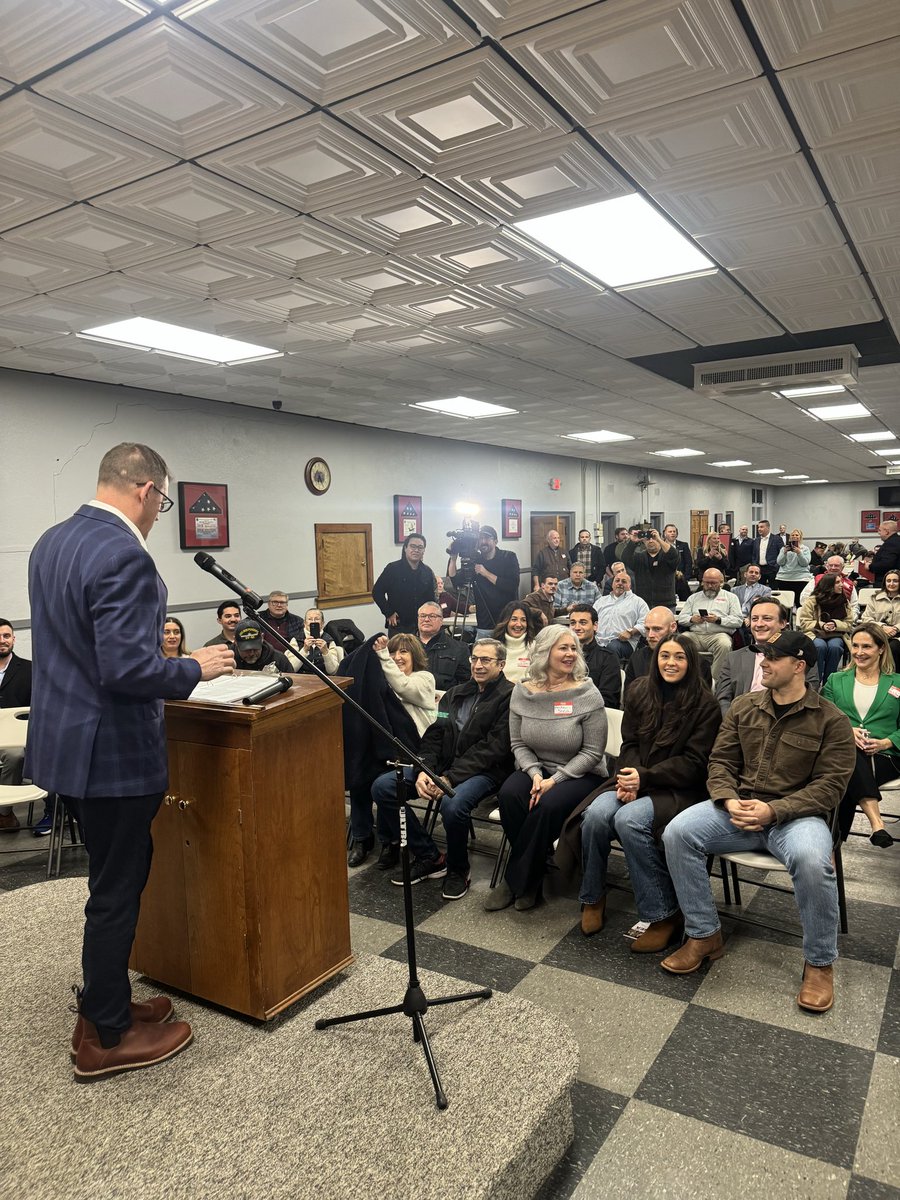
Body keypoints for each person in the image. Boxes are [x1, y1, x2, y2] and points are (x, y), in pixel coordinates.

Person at [26, 442, 235, 1082]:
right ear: (145, 490)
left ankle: (105, 1002)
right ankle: (105, 1039)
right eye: (162, 502)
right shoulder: (124, 555)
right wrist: (192, 667)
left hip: (70, 743)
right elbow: (126, 668)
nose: (157, 515)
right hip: (111, 752)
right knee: (116, 893)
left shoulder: (52, 541)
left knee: (107, 885)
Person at [661, 630, 856, 1013]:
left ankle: (819, 962)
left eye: (773, 658)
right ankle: (703, 935)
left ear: (799, 666)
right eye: (764, 656)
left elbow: (830, 787)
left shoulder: (831, 721)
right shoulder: (745, 706)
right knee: (677, 833)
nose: (763, 663)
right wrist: (728, 799)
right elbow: (721, 762)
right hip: (739, 808)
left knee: (814, 862)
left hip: (796, 817)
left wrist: (775, 811)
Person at [560, 634, 721, 949]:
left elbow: (694, 763)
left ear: (691, 663)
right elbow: (629, 743)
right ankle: (592, 897)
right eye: (664, 656)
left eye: (679, 657)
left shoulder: (706, 705)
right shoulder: (638, 690)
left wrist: (644, 779)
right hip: (634, 777)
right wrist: (629, 777)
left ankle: (662, 914)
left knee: (629, 820)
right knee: (595, 816)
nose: (670, 663)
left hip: (677, 787)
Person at [371, 638, 513, 898]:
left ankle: (459, 869)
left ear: (501, 664)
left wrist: (448, 778)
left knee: (452, 805)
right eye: (474, 659)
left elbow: (494, 748)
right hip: (443, 768)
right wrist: (425, 769)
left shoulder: (509, 696)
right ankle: (431, 857)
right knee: (383, 786)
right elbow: (435, 734)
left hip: (485, 771)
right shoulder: (456, 694)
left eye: (486, 660)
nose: (478, 665)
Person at [485, 625, 607, 913]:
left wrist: (556, 780)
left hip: (580, 773)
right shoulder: (523, 691)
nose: (570, 654)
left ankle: (516, 880)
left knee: (546, 806)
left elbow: (592, 752)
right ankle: (533, 875)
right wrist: (536, 774)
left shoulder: (587, 693)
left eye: (573, 648)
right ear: (544, 652)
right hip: (536, 769)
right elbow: (517, 743)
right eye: (562, 648)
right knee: (510, 794)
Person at [347, 632, 437, 867]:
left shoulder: (424, 679)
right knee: (360, 774)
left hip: (416, 752)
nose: (396, 657)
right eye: (392, 651)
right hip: (386, 748)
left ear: (415, 656)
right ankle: (362, 837)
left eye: (403, 652)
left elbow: (403, 686)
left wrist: (381, 655)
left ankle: (391, 841)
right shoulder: (381, 679)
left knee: (382, 778)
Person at [821, 624, 899, 847]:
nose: (859, 652)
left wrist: (886, 742)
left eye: (866, 646)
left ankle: (830, 848)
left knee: (840, 773)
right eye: (854, 646)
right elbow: (822, 719)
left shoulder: (898, 682)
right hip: (845, 751)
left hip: (887, 756)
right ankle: (877, 823)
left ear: (881, 649)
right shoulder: (836, 680)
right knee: (848, 755)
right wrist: (846, 732)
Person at [716, 597, 818, 715]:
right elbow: (723, 699)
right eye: (754, 619)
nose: (759, 624)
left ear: (783, 623)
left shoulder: (800, 655)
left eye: (767, 618)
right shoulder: (733, 658)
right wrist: (733, 724)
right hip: (741, 722)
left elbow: (810, 693)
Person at [447, 525, 520, 635]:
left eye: (487, 538)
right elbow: (456, 581)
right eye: (480, 538)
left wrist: (485, 573)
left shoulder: (508, 557)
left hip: (508, 620)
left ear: (495, 541)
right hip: (484, 623)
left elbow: (512, 586)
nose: (483, 542)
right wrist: (453, 559)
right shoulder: (476, 560)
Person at [677, 568, 743, 679]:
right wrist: (692, 620)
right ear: (702, 581)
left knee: (724, 644)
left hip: (718, 635)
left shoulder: (731, 598)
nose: (710, 586)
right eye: (707, 583)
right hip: (696, 635)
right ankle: (686, 678)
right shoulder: (693, 598)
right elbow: (681, 618)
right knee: (680, 641)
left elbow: (738, 621)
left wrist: (718, 620)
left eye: (713, 583)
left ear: (721, 582)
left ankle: (714, 681)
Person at [0, 619, 33, 832]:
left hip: (15, 738)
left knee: (15, 755)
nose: (2, 641)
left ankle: (4, 813)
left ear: (13, 639)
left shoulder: (29, 669)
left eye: (6, 636)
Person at [372, 533, 437, 635]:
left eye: (420, 547)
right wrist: (388, 613)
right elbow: (377, 592)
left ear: (424, 550)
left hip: (422, 624)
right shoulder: (392, 569)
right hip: (399, 625)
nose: (416, 550)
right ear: (405, 548)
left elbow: (431, 599)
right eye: (413, 546)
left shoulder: (427, 571)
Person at [797, 573, 852, 685]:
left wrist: (835, 624)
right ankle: (815, 681)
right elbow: (804, 622)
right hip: (814, 633)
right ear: (828, 585)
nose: (841, 585)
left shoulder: (844, 600)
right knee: (819, 646)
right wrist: (821, 625)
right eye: (837, 582)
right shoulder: (812, 600)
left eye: (841, 582)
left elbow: (849, 623)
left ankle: (829, 682)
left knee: (835, 647)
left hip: (837, 634)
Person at [568, 604, 623, 710]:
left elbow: (609, 700)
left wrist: (573, 707)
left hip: (593, 714)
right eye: (573, 623)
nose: (577, 628)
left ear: (595, 626)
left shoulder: (608, 658)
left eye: (583, 623)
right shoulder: (562, 656)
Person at [594, 570, 649, 661]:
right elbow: (592, 619)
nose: (620, 583)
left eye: (624, 581)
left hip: (623, 642)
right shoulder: (601, 601)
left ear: (629, 585)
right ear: (612, 584)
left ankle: (610, 674)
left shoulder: (638, 602)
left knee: (611, 649)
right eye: (617, 580)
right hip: (599, 640)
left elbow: (646, 623)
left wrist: (630, 632)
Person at [416, 601, 469, 690]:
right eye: (423, 616)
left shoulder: (459, 649)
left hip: (446, 699)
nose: (426, 619)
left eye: (432, 616)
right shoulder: (405, 646)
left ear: (441, 621)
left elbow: (465, 683)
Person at [621, 528, 679, 610]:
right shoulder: (639, 557)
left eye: (654, 538)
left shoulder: (666, 556)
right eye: (648, 539)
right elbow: (625, 558)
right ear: (644, 541)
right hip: (643, 604)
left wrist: (659, 539)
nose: (651, 541)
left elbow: (673, 555)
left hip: (666, 604)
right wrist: (632, 542)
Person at [492, 602, 541, 684]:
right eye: (514, 619)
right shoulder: (493, 647)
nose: (519, 624)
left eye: (523, 620)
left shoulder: (535, 647)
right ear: (506, 621)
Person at [861, 569, 900, 671]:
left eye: (895, 581)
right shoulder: (875, 598)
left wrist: (896, 628)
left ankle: (894, 679)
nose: (891, 583)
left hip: (898, 636)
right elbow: (866, 618)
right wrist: (882, 627)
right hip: (878, 634)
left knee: (893, 648)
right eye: (889, 581)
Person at [289, 607, 344, 675]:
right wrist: (304, 650)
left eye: (317, 619)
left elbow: (333, 671)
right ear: (305, 623)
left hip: (324, 679)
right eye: (310, 619)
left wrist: (325, 652)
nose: (313, 622)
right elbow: (291, 669)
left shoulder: (329, 641)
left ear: (322, 623)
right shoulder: (296, 640)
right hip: (302, 678)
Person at [775, 528, 812, 605]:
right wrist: (784, 552)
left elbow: (804, 563)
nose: (795, 536)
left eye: (797, 535)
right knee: (785, 604)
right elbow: (779, 562)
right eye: (793, 535)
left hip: (800, 578)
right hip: (784, 578)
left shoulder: (805, 549)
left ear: (800, 537)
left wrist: (799, 553)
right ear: (790, 537)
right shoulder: (784, 548)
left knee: (800, 603)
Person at [870, 519, 900, 588]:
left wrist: (870, 566)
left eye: (880, 530)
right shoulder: (896, 541)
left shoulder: (891, 543)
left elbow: (886, 564)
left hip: (887, 583)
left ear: (887, 532)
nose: (878, 533)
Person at [752, 519, 781, 588]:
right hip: (759, 569)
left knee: (773, 590)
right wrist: (755, 565)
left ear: (768, 528)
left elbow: (781, 553)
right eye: (758, 527)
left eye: (761, 527)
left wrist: (776, 565)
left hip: (772, 568)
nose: (759, 529)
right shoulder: (756, 540)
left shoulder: (776, 539)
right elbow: (754, 554)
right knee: (759, 590)